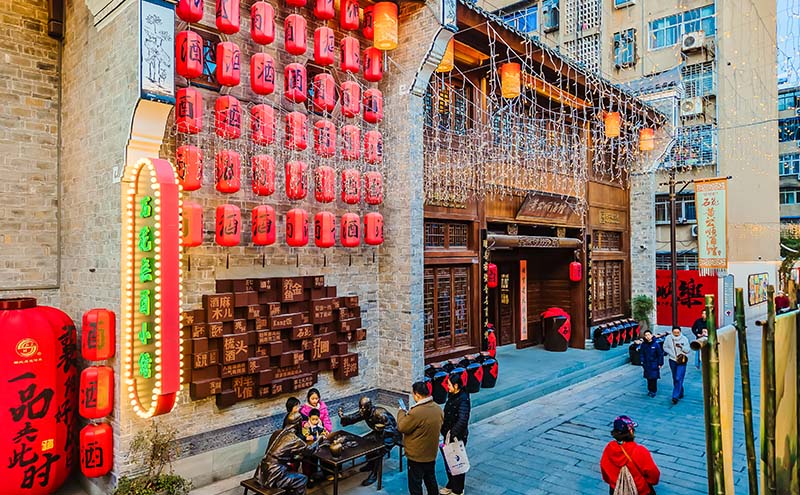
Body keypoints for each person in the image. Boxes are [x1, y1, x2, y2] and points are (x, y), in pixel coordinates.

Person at [338, 397, 401, 486]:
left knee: (378, 451)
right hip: (378, 433)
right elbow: (354, 417)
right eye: (360, 407)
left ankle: (374, 474)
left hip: (391, 436)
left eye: (363, 408)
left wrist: (382, 429)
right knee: (365, 442)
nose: (361, 410)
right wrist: (343, 417)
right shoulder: (364, 412)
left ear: (369, 407)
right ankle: (370, 464)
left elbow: (392, 429)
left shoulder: (380, 413)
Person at [397, 381, 444, 495]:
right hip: (431, 453)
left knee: (415, 484)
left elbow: (402, 427)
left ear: (417, 394)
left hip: (417, 455)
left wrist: (401, 412)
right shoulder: (437, 408)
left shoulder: (417, 412)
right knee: (430, 479)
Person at [258, 412, 319, 495]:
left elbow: (278, 453)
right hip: (274, 473)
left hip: (262, 470)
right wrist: (319, 440)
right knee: (302, 479)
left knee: (292, 473)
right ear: (298, 424)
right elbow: (309, 450)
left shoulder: (277, 433)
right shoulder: (293, 438)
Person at [600, 415, 660, 495]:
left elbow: (604, 468)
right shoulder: (639, 451)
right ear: (631, 431)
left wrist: (614, 482)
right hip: (640, 491)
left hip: (616, 490)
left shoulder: (609, 448)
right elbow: (653, 474)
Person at [440, 371, 471, 495]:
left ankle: (458, 489)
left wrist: (452, 434)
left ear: (456, 386)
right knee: (449, 461)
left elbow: (463, 420)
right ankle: (451, 484)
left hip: (457, 436)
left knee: (457, 462)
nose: (447, 387)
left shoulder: (463, 400)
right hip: (448, 435)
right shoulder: (452, 396)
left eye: (449, 385)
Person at [662, 327, 691, 404]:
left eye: (678, 332)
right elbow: (665, 347)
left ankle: (675, 396)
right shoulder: (668, 338)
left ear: (680, 332)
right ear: (672, 332)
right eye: (675, 332)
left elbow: (688, 350)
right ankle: (680, 391)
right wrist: (671, 353)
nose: (676, 334)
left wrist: (682, 347)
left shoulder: (684, 339)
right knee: (675, 377)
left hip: (682, 361)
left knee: (678, 377)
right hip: (672, 360)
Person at [634, 330, 664, 397]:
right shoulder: (643, 345)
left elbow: (660, 354)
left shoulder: (656, 344)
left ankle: (653, 391)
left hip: (654, 363)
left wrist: (660, 363)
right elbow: (641, 353)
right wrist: (642, 361)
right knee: (648, 378)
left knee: (654, 378)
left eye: (648, 335)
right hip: (646, 364)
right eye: (646, 335)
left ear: (651, 335)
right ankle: (650, 390)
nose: (647, 336)